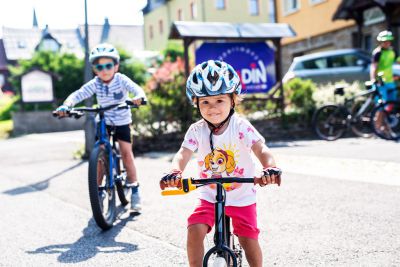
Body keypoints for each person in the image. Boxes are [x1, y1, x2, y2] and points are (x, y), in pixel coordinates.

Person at [160, 60, 281, 267]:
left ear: (233, 100)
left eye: (219, 100)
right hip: (209, 193)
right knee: (194, 228)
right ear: (196, 103)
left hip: (241, 194)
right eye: (205, 102)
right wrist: (175, 171)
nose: (212, 108)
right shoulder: (197, 130)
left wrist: (269, 167)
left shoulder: (241, 126)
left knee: (248, 238)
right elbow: (183, 153)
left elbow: (261, 148)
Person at [55, 43, 146, 213]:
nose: (104, 70)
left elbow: (136, 89)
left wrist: (139, 97)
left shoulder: (121, 79)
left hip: (122, 121)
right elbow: (78, 94)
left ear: (116, 66)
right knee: (99, 155)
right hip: (104, 120)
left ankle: (134, 191)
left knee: (126, 153)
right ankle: (98, 192)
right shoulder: (96, 83)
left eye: (108, 65)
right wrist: (66, 105)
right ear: (95, 69)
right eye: (99, 66)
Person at [370, 30, 400, 137]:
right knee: (381, 106)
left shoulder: (393, 52)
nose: (387, 43)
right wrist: (373, 78)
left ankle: (385, 126)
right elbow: (374, 67)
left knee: (390, 105)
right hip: (380, 82)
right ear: (381, 42)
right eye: (385, 41)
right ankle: (377, 128)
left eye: (388, 41)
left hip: (391, 82)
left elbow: (397, 64)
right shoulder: (377, 53)